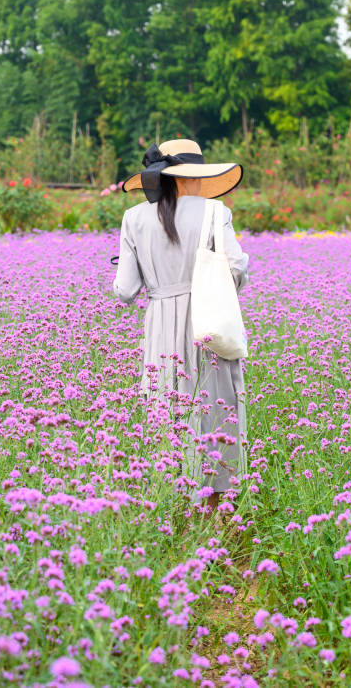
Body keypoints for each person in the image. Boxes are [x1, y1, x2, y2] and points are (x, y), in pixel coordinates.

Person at [112, 138, 250, 514]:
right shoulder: (214, 212)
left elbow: (125, 290)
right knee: (215, 407)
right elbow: (236, 267)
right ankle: (218, 507)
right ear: (192, 176)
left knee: (167, 408)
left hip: (160, 327)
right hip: (206, 321)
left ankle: (173, 505)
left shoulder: (133, 218)